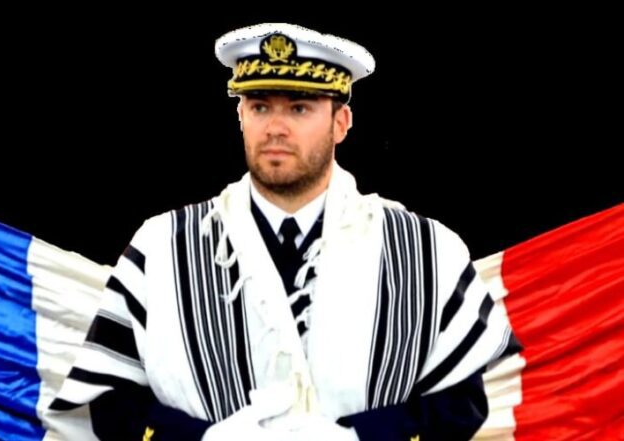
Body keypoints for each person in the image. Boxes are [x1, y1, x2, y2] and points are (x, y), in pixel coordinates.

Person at [48, 23, 521, 440]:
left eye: (298, 108)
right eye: (259, 107)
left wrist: (361, 438)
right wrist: (201, 439)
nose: (275, 127)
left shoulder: (423, 250)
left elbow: (463, 403)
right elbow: (109, 401)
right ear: (240, 116)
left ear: (341, 122)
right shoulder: (162, 247)